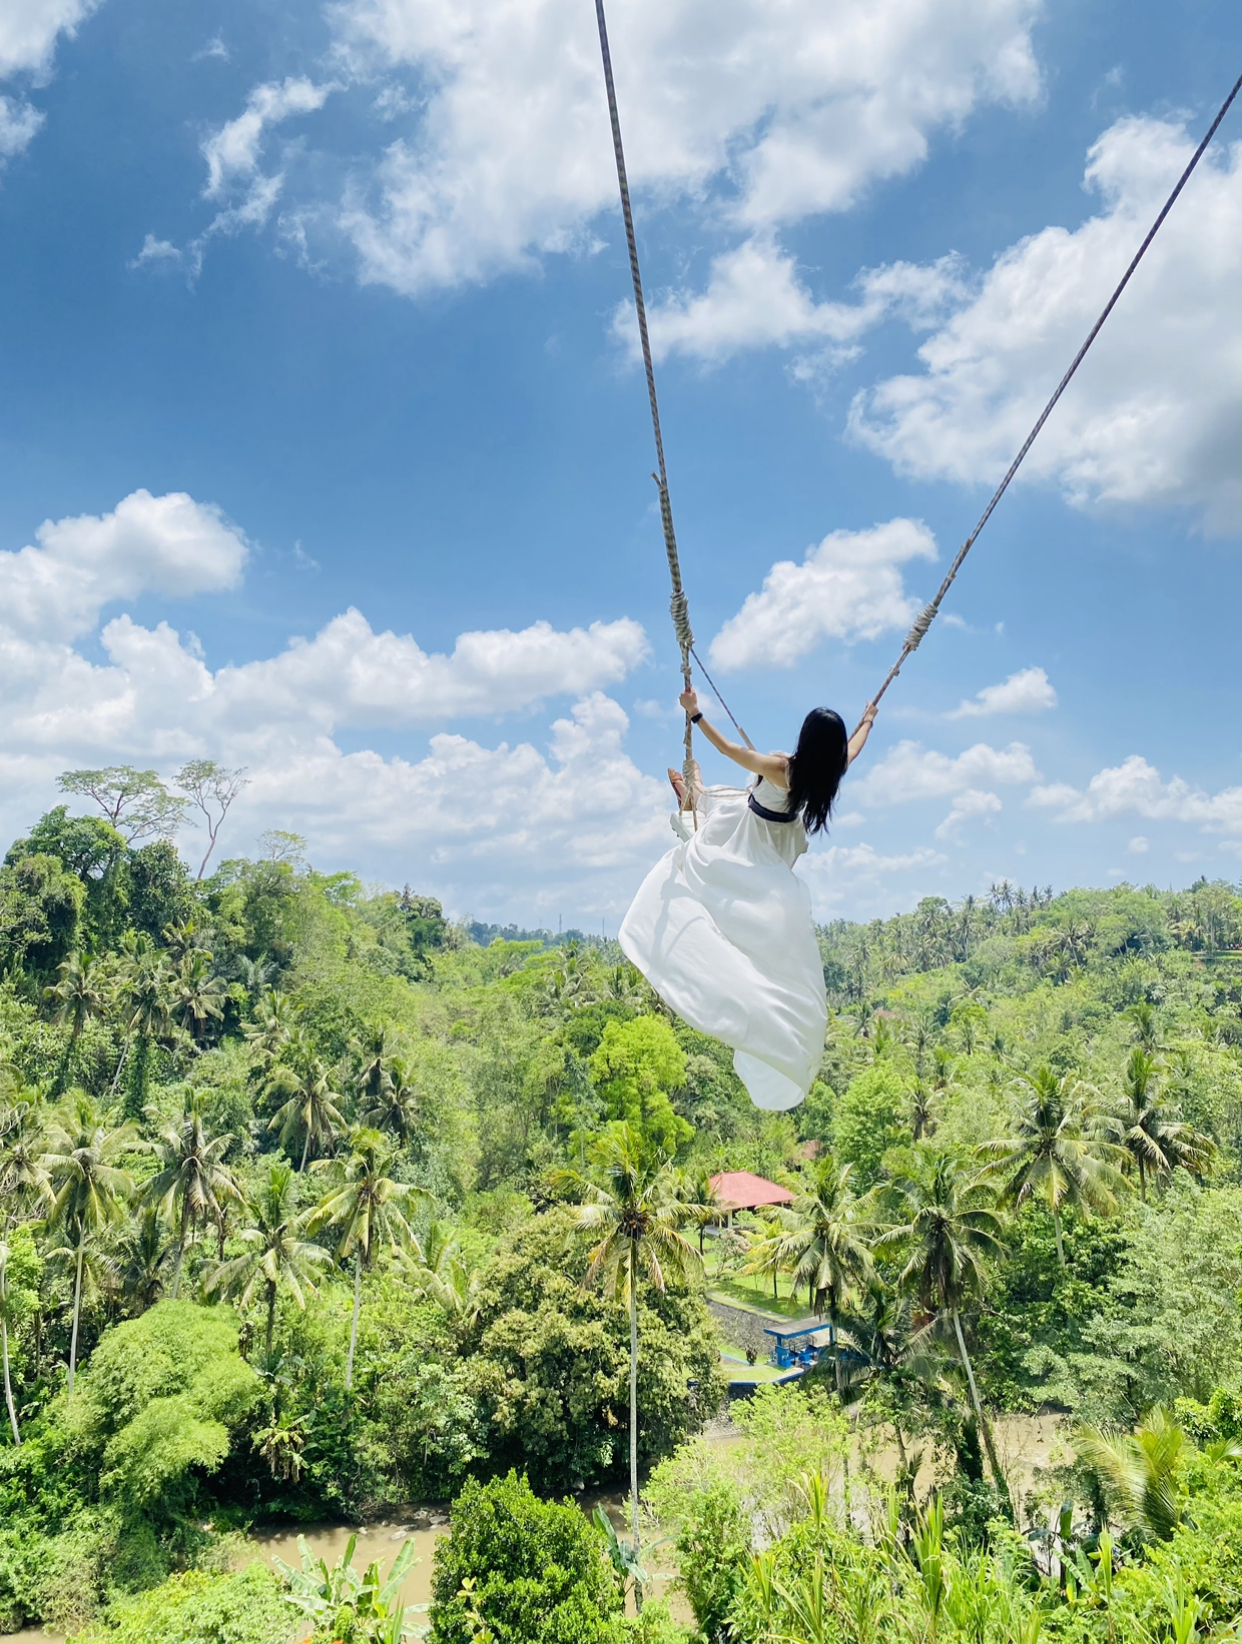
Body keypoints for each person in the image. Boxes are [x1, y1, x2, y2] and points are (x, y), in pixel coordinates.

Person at [619, 688, 877, 1112]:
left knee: (698, 852)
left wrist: (696, 714)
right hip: (778, 841)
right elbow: (853, 750)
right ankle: (693, 789)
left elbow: (731, 749)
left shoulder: (783, 768)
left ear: (806, 738)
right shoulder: (828, 771)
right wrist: (867, 720)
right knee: (717, 802)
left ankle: (691, 792)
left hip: (749, 836)